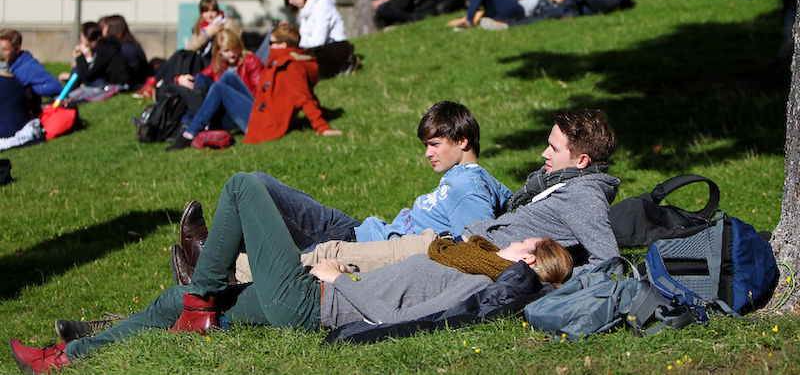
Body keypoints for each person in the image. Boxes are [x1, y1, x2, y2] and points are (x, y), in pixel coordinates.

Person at [8, 172, 573, 373]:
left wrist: (338, 282)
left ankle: (201, 298)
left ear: (530, 259)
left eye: (524, 242)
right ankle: (66, 359)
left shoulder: (482, 280)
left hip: (314, 304)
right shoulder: (475, 262)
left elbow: (408, 319)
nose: (513, 238)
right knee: (171, 303)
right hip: (315, 299)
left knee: (242, 186)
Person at [212, 108, 619, 284]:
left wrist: (552, 274)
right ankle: (218, 259)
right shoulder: (555, 187)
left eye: (553, 148)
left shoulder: (583, 197)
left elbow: (610, 262)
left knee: (282, 219)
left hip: (415, 248)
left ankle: (217, 266)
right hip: (387, 235)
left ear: (581, 160)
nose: (544, 153)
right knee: (260, 193)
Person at [172, 100, 513, 281]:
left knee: (256, 192)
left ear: (463, 141)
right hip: (358, 229)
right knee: (258, 186)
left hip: (359, 246)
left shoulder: (469, 186)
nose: (427, 153)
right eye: (426, 145)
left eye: (435, 144)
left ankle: (210, 270)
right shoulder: (468, 178)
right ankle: (214, 263)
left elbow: (475, 246)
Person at [166, 29, 264, 150]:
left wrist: (232, 94)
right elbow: (198, 79)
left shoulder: (251, 61)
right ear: (219, 52)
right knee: (201, 79)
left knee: (223, 82)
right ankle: (188, 123)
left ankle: (190, 132)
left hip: (251, 112)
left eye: (234, 49)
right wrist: (179, 79)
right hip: (229, 116)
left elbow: (260, 95)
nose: (232, 54)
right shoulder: (219, 65)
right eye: (227, 50)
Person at [256, 0, 355, 78]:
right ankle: (256, 68)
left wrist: (292, 41)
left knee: (278, 41)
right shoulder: (306, 9)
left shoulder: (322, 5)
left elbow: (318, 40)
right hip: (316, 50)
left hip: (330, 50)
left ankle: (257, 70)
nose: (290, 2)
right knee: (275, 34)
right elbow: (305, 36)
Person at [60, 22, 130, 90]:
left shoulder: (106, 50)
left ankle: (66, 93)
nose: (81, 40)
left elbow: (88, 75)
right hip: (107, 81)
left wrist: (80, 57)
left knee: (77, 71)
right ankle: (69, 91)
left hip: (115, 85)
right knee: (77, 70)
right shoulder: (102, 48)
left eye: (82, 37)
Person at [0, 29, 62, 104]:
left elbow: (56, 86)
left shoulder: (29, 66)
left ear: (17, 49)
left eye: (5, 49)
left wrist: (28, 90)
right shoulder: (5, 64)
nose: (1, 53)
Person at [98, 15, 149, 87]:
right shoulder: (118, 46)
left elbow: (134, 72)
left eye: (104, 28)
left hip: (133, 83)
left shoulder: (127, 48)